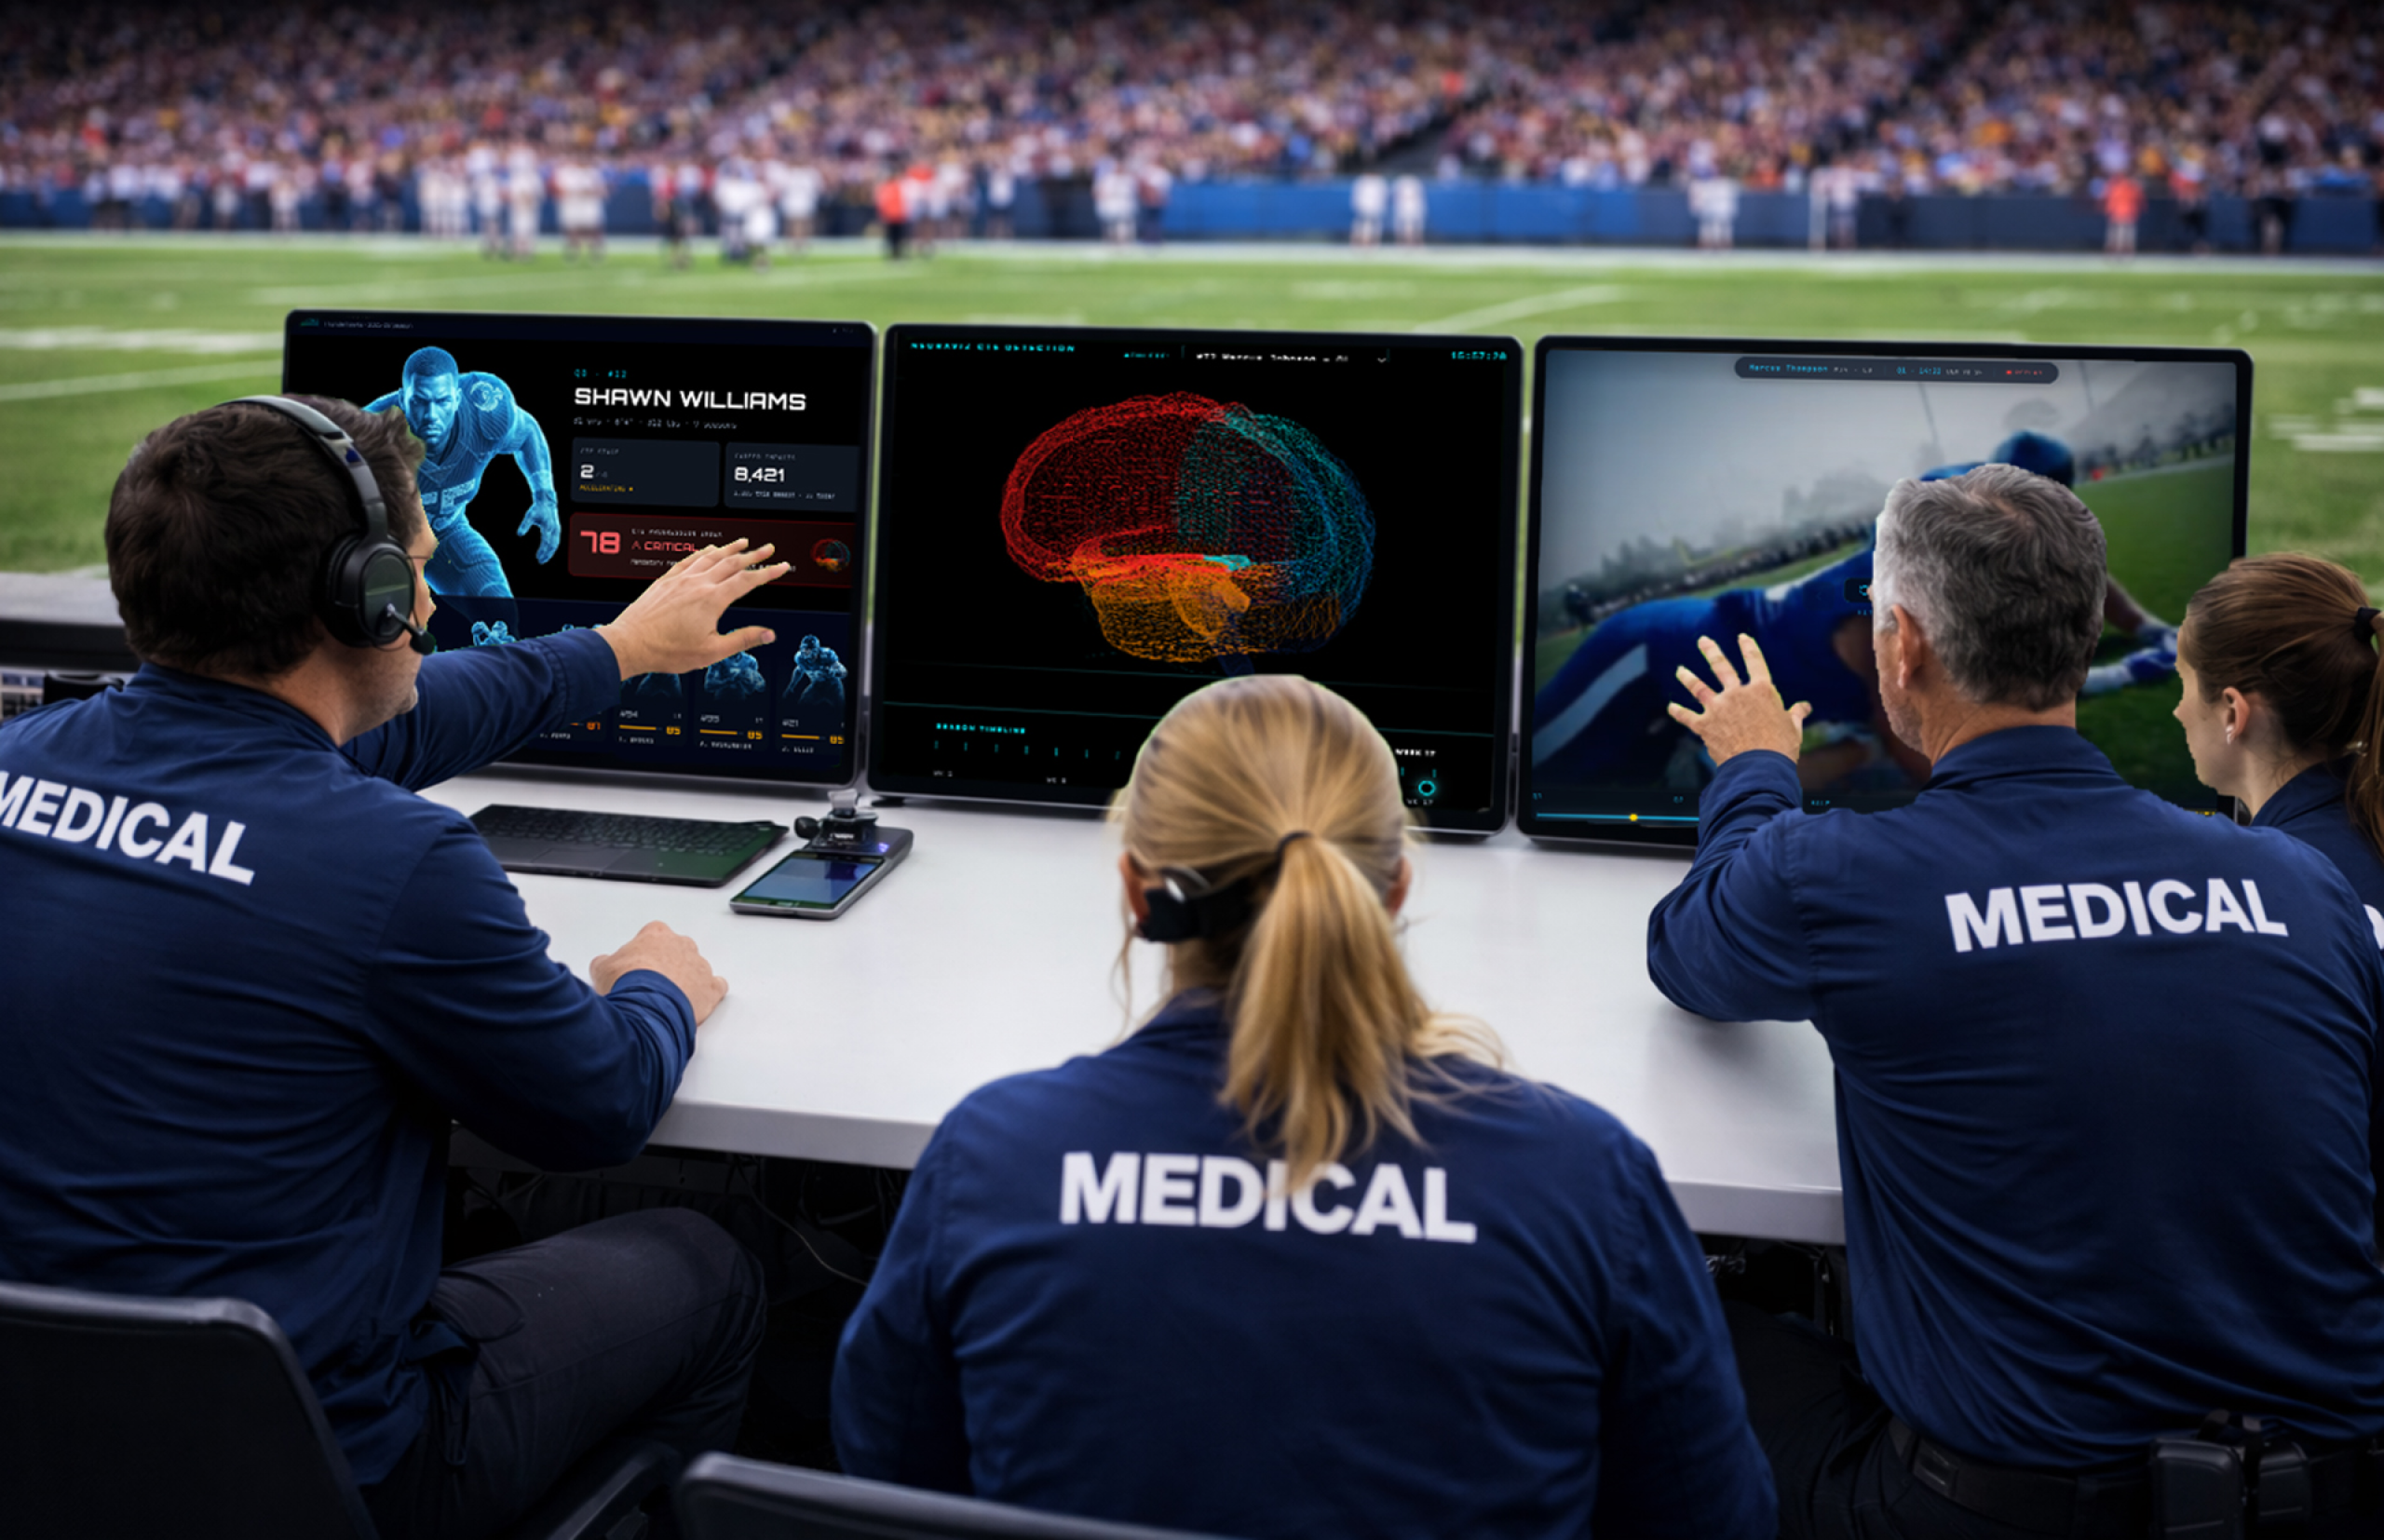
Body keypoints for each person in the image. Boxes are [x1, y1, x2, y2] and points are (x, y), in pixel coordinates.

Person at [0, 397, 787, 1538]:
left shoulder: (20, 760)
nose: (429, 606)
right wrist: (655, 986)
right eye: (414, 573)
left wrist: (617, 649)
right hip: (327, 1467)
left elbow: (386, 728)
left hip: (37, 1446)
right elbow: (602, 1104)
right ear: (360, 598)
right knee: (708, 1261)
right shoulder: (395, 863)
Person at [833, 674, 1775, 1539]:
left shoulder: (993, 1162)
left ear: (1136, 890)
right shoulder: (1582, 1179)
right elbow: (1712, 1520)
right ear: (1395, 885)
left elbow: (890, 1471)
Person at [1647, 465, 2384, 1539]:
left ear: (1903, 646)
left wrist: (1756, 765)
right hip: (2322, 1493)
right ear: (2082, 639)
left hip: (2000, 1508)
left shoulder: (1837, 877)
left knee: (1637, 1304)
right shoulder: (2304, 884)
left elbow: (1688, 948)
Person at [2174, 553, 2384, 937]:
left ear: (2233, 713)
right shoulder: (2369, 819)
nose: (2179, 711)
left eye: (2184, 684)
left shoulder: (2247, 893)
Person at [366, 345, 559, 599]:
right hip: (380, 541)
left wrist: (545, 498)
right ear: (403, 400)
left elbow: (527, 432)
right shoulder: (370, 432)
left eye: (442, 401)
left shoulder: (485, 413)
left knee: (498, 610)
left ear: (457, 399)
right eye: (420, 401)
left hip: (447, 530)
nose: (431, 415)